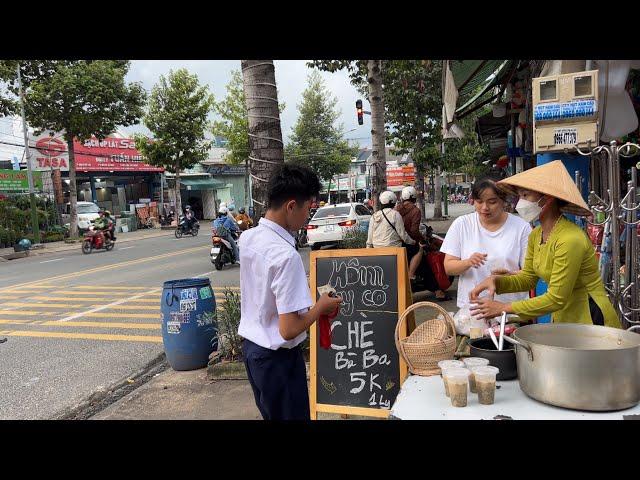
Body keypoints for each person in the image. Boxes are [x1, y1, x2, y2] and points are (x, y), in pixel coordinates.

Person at [238, 164, 343, 420]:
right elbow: (288, 329)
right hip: (278, 361)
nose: (308, 216)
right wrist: (320, 307)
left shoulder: (249, 238)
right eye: (309, 209)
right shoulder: (286, 256)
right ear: (291, 206)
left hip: (254, 353)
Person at [469, 160, 620, 328]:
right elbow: (528, 279)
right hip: (564, 319)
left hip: (591, 318)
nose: (520, 202)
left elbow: (556, 298)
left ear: (547, 199)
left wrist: (505, 308)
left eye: (525, 196)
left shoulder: (570, 239)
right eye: (520, 196)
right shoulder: (535, 234)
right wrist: (496, 282)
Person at [440, 177, 532, 310]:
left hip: (509, 309)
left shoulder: (521, 227)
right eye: (479, 201)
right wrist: (468, 262)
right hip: (472, 310)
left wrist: (509, 276)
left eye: (492, 202)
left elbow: (529, 275)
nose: (485, 208)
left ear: (503, 201)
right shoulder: (462, 224)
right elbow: (448, 267)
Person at [396, 186, 450, 301]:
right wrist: (421, 240)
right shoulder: (415, 210)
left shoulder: (397, 209)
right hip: (410, 242)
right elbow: (414, 230)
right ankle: (438, 291)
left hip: (397, 243)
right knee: (425, 263)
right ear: (413, 197)